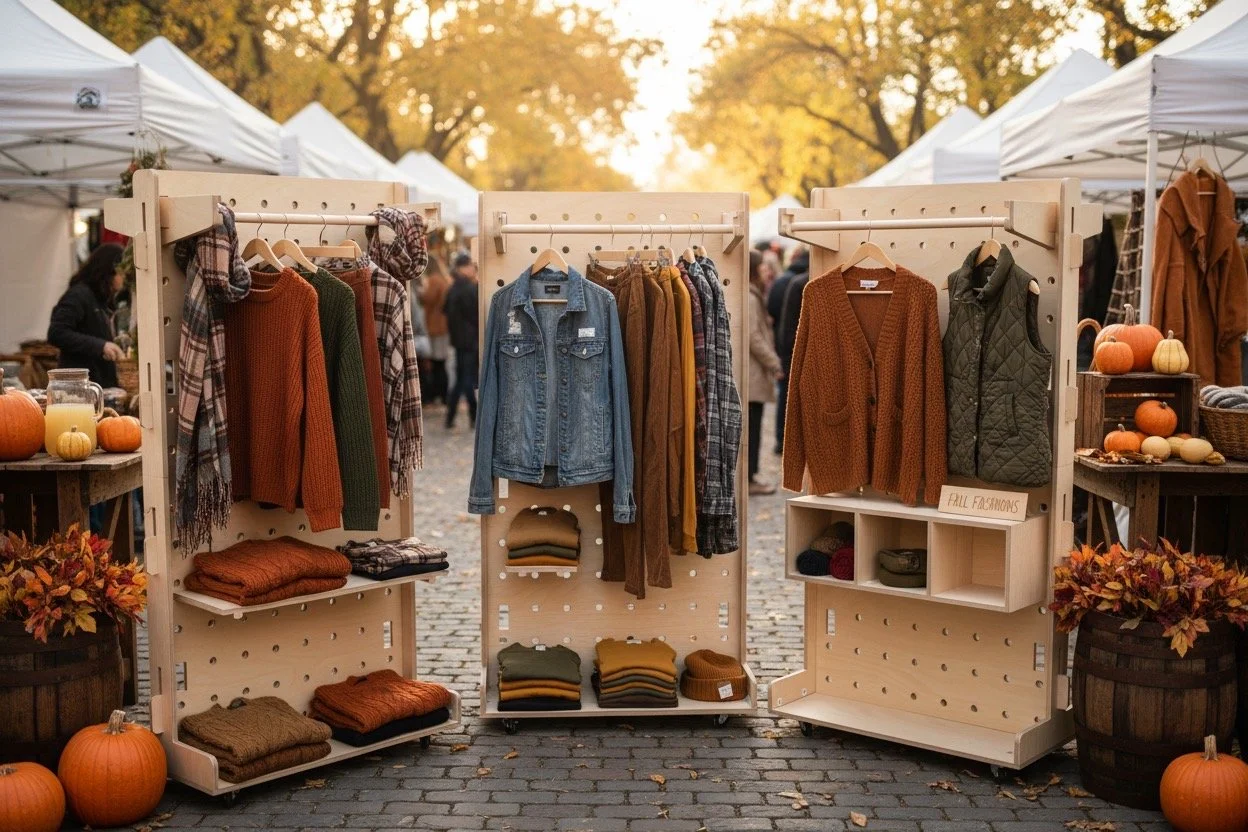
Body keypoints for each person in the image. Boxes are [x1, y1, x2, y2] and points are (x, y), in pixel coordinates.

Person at [47, 243, 126, 388]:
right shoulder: (78, 295)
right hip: (78, 388)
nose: (124, 278)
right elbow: (57, 332)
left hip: (96, 385)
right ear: (108, 272)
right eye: (121, 272)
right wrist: (101, 346)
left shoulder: (101, 300)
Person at [747, 250, 783, 495]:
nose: (766, 271)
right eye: (762, 267)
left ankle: (751, 476)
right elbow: (754, 337)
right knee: (752, 428)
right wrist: (774, 363)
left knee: (754, 426)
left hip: (754, 372)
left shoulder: (753, 294)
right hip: (753, 373)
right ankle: (749, 478)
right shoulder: (750, 297)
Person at [768, 247, 808, 454]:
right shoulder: (802, 283)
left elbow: (781, 319)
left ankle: (782, 440)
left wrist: (784, 355)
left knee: (786, 397)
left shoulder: (788, 281)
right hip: (801, 351)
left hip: (789, 349)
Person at [444, 251, 480, 430]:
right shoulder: (469, 289)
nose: (473, 268)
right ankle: (475, 416)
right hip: (469, 340)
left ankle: (450, 417)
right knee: (466, 380)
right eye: (471, 265)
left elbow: (445, 312)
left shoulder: (453, 289)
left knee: (460, 379)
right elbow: (476, 315)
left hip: (458, 340)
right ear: (463, 268)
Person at [420, 256, 453, 405]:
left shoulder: (434, 280)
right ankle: (443, 395)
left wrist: (420, 293)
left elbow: (428, 298)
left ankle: (439, 394)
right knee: (441, 362)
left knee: (436, 363)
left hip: (435, 327)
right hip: (443, 326)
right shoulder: (445, 279)